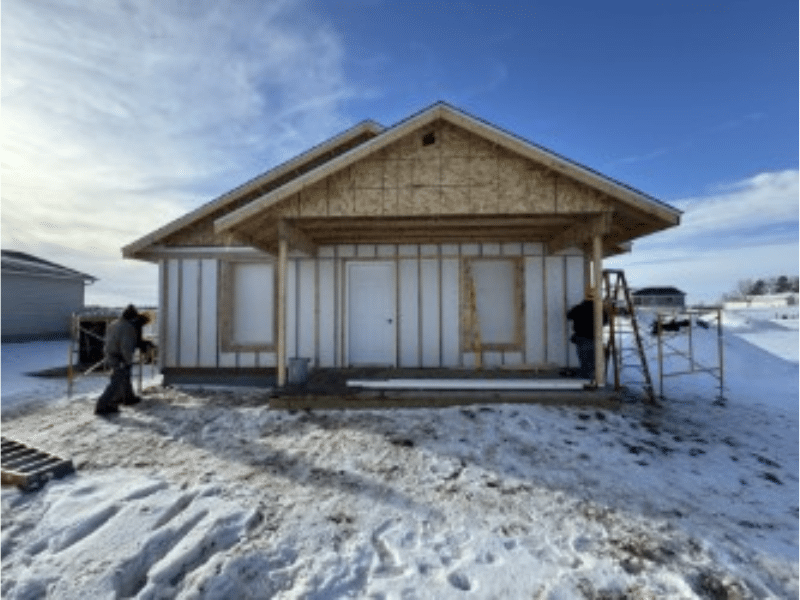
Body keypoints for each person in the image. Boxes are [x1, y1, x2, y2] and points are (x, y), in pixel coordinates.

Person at [94, 305, 149, 415]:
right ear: (133, 316)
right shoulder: (128, 327)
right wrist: (128, 360)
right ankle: (102, 405)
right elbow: (126, 346)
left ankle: (128, 398)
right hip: (119, 356)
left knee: (123, 376)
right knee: (116, 381)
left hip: (110, 353)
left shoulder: (114, 323)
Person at [566, 289, 608, 381]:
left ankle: (585, 381)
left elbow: (568, 316)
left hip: (581, 339)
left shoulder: (578, 308)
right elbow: (605, 322)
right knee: (593, 363)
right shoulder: (600, 309)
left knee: (584, 362)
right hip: (595, 339)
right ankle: (593, 380)